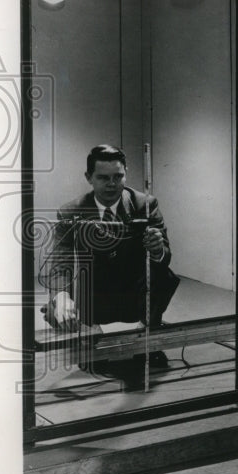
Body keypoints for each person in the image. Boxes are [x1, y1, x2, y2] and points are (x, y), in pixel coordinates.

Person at [40, 145, 179, 375]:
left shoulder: (146, 204)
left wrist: (157, 250)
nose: (112, 184)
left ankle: (148, 336)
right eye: (103, 178)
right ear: (89, 178)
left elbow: (165, 256)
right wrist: (62, 296)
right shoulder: (71, 210)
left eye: (118, 177)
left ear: (126, 173)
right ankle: (86, 332)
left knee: (165, 276)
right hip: (95, 287)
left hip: (134, 285)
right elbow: (60, 260)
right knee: (64, 296)